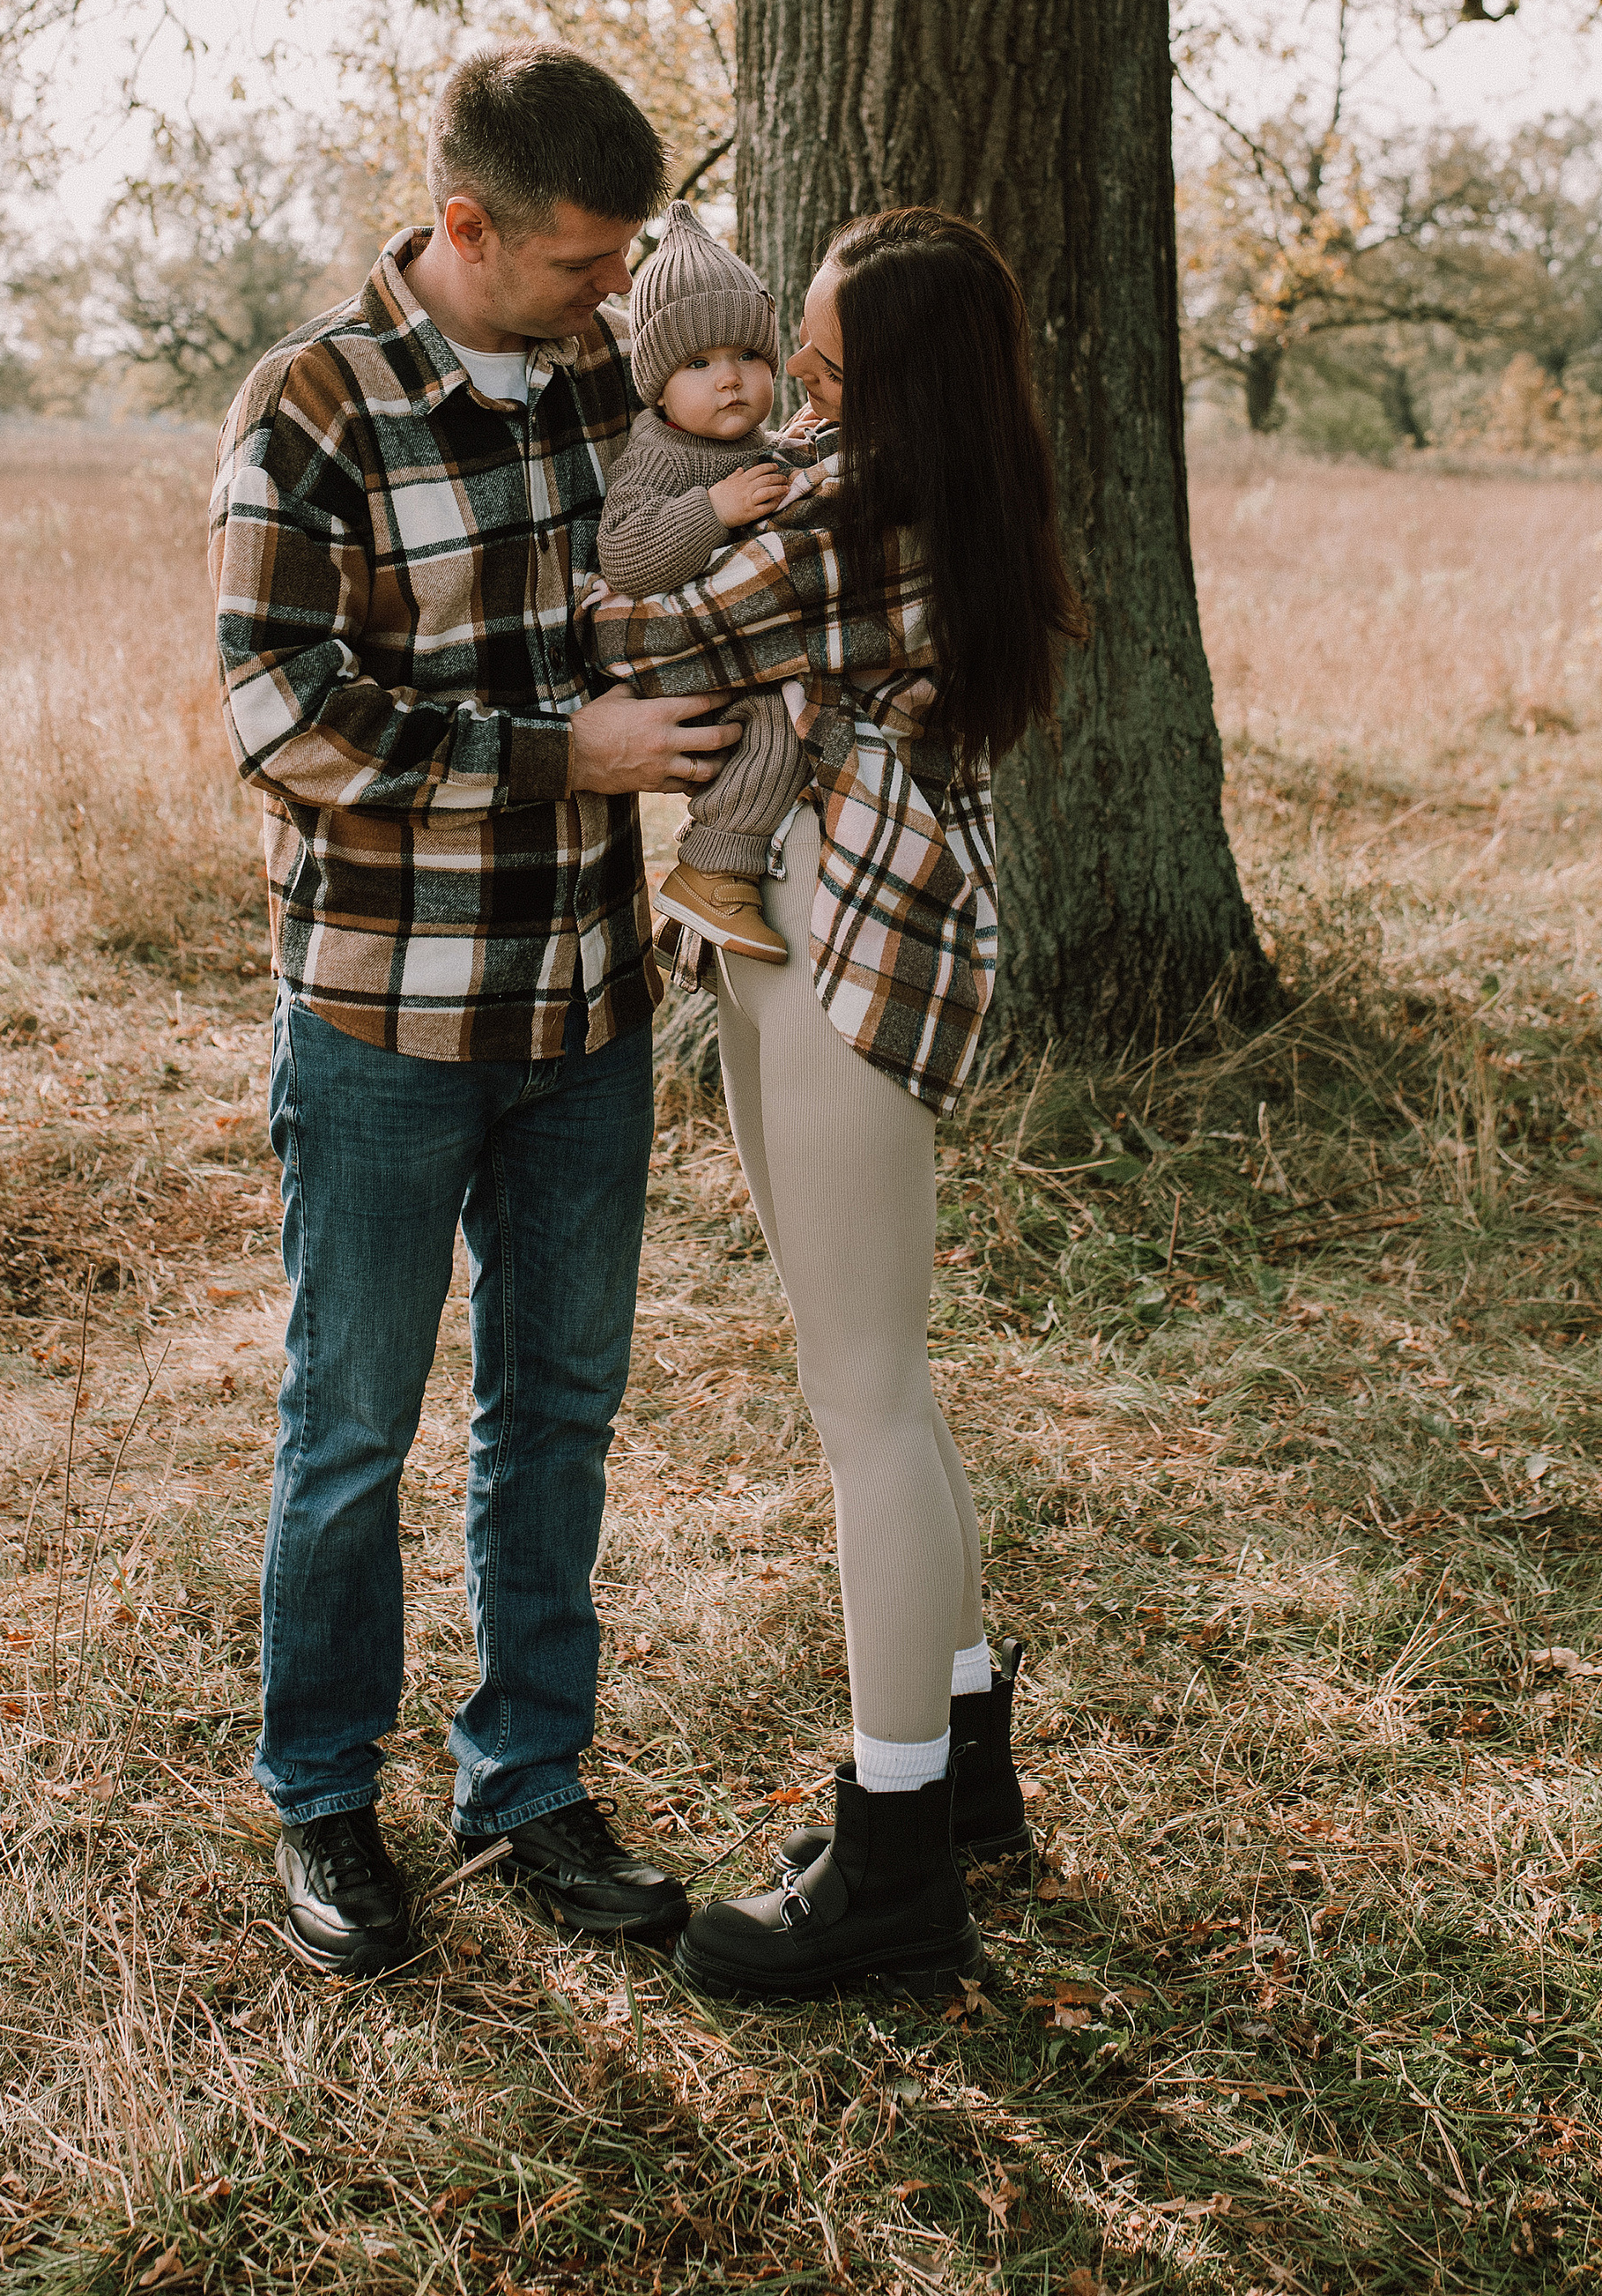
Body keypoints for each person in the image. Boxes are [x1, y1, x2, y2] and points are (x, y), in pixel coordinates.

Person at [209, 44, 744, 1980]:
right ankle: (326, 1802)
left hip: (587, 1007)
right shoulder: (313, 409)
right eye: (582, 263)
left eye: (628, 261)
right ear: (464, 229)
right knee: (350, 1421)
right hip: (380, 1018)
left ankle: (527, 1786)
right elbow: (283, 717)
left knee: (557, 1415)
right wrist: (555, 754)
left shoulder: (620, 387)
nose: (616, 294)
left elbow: (706, 570)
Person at [583, 208, 1087, 2003]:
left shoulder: (856, 513)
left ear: (886, 385)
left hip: (840, 934)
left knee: (861, 1397)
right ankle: (954, 1784)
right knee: (880, 1380)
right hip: (817, 922)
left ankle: (887, 1870)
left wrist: (609, 531)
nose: (785, 387)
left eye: (816, 361)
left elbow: (644, 629)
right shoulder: (915, 478)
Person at [595, 200, 803, 964]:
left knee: (792, 721)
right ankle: (711, 867)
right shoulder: (660, 455)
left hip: (736, 634)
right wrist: (713, 509)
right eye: (698, 363)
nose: (730, 382)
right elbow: (626, 555)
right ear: (656, 383)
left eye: (747, 356)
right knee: (776, 727)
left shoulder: (758, 442)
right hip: (676, 652)